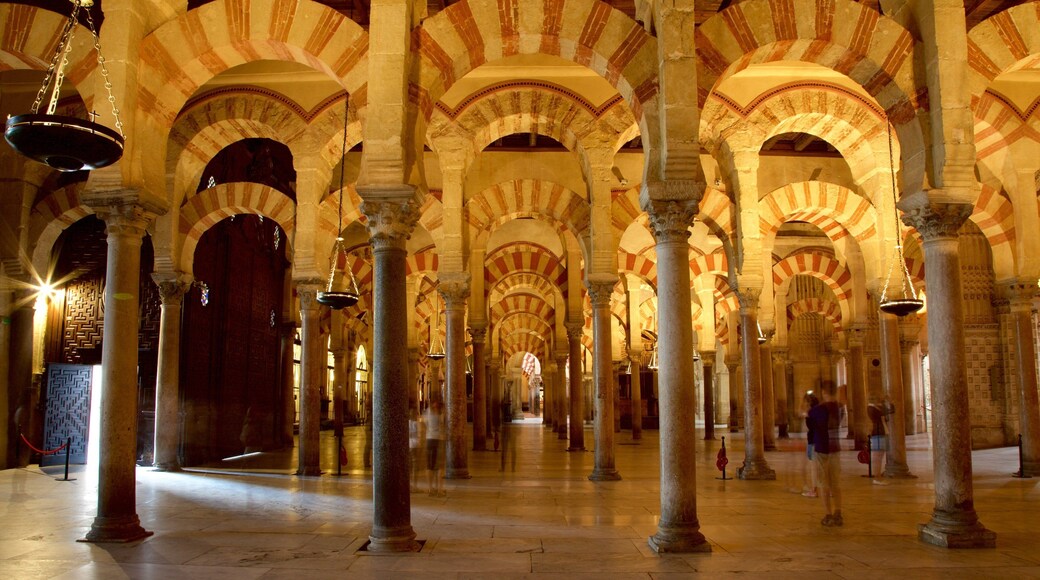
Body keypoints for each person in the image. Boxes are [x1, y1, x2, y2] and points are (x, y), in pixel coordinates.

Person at [807, 381, 843, 526]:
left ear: (823, 392)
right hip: (835, 447)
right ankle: (838, 513)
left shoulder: (819, 409)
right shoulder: (840, 408)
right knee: (836, 483)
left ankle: (828, 514)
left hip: (822, 448)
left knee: (823, 483)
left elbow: (809, 421)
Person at [867, 396, 893, 484]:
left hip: (882, 432)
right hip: (877, 433)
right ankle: (877, 477)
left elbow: (891, 410)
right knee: (877, 456)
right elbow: (883, 413)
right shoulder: (871, 408)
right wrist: (883, 404)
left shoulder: (877, 408)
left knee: (880, 455)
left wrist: (888, 403)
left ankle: (878, 475)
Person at [424, 398, 446, 497]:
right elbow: (443, 426)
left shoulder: (427, 412)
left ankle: (430, 488)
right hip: (438, 439)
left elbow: (425, 424)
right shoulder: (441, 413)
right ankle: (439, 490)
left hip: (429, 439)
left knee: (430, 465)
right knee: (439, 465)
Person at [801, 392, 821, 497]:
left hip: (813, 441)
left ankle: (814, 490)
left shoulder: (811, 414)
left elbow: (812, 428)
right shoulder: (820, 412)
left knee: (814, 468)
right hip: (820, 441)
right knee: (821, 467)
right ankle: (828, 489)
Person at [408, 407, 425, 492]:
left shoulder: (408, 423)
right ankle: (414, 485)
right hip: (415, 446)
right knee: (415, 466)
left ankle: (410, 484)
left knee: (409, 466)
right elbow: (419, 436)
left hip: (408, 445)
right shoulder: (417, 424)